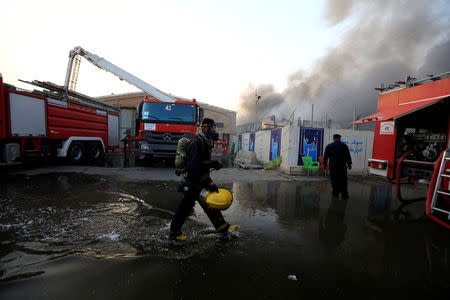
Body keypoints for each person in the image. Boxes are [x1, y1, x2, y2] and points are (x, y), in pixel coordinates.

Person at [169, 118, 237, 241]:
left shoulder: (204, 142)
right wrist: (208, 182)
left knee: (210, 206)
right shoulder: (197, 143)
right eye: (212, 128)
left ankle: (223, 229)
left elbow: (201, 162)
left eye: (214, 128)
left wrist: (213, 163)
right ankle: (174, 233)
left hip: (198, 182)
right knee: (184, 209)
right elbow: (194, 167)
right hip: (192, 183)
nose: (214, 131)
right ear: (205, 128)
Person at [323, 134, 352, 199]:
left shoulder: (329, 146)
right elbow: (348, 156)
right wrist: (349, 164)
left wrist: (324, 165)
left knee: (334, 180)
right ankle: (344, 194)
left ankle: (335, 194)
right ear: (339, 139)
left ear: (333, 138)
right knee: (343, 181)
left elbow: (325, 157)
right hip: (342, 167)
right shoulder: (344, 146)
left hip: (333, 167)